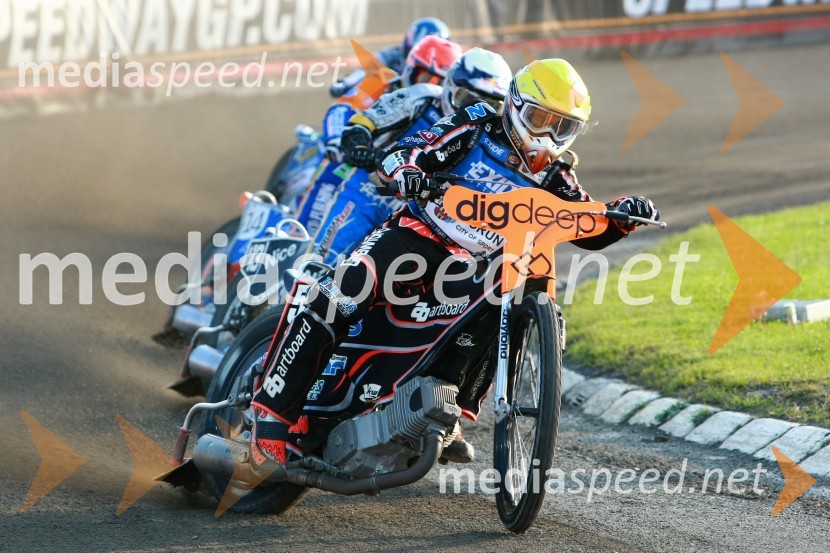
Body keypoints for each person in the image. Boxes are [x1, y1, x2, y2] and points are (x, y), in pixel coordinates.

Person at [249, 58, 659, 469]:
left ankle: (447, 406)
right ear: (515, 105)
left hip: (473, 268)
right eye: (539, 118)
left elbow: (587, 223)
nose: (548, 135)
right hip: (419, 235)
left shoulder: (557, 175)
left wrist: (621, 217)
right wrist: (410, 171)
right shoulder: (477, 123)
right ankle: (271, 416)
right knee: (345, 289)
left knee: (511, 299)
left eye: (563, 127)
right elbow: (404, 152)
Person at [309, 45, 508, 266]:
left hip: (419, 217)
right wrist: (360, 147)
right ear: (450, 85)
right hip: (367, 193)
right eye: (467, 99)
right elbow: (365, 121)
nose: (473, 111)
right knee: (321, 263)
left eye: (489, 105)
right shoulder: (422, 97)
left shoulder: (491, 136)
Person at [295, 36, 462, 240]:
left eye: (440, 82)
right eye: (428, 78)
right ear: (410, 68)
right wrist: (339, 141)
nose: (433, 85)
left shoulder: (450, 118)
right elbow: (342, 108)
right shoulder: (382, 81)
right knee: (330, 178)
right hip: (351, 160)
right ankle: (294, 234)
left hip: (392, 189)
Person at [329, 17, 451, 98]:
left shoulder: (447, 68)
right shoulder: (393, 54)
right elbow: (368, 68)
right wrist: (346, 83)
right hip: (385, 109)